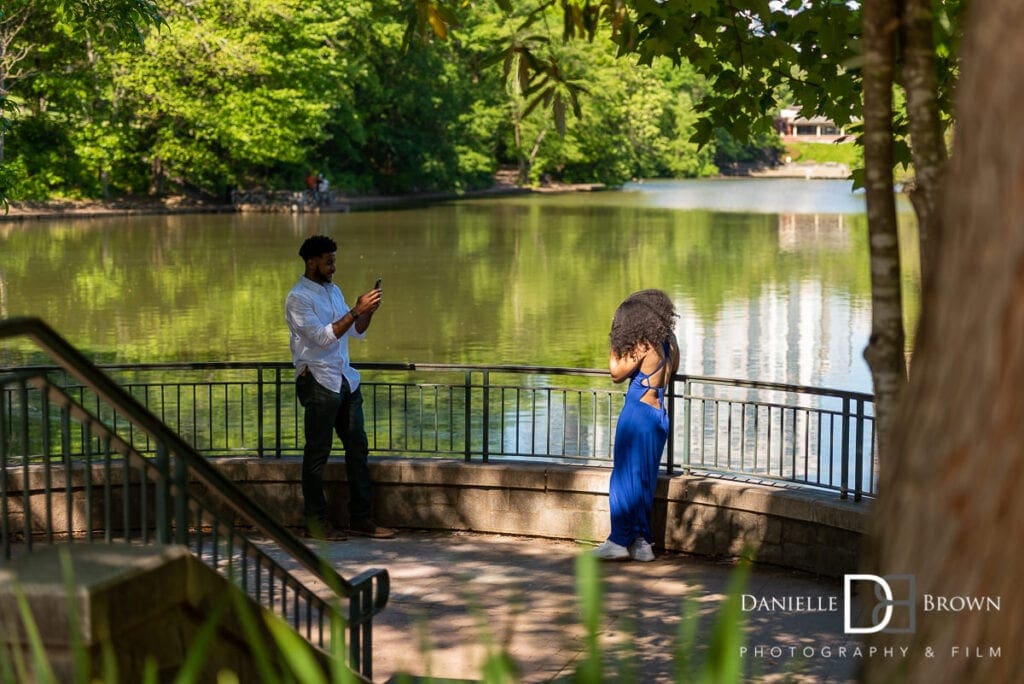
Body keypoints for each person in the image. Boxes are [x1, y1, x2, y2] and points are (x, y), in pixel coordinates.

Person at [285, 235, 394, 540]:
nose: (333, 266)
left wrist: (368, 311)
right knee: (317, 453)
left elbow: (355, 332)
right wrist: (356, 311)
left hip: (345, 378)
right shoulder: (297, 298)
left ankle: (360, 518)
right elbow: (322, 337)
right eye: (328, 260)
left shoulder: (334, 291)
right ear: (311, 262)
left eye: (334, 260)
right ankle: (316, 523)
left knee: (357, 448)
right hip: (318, 380)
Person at [594, 289, 680, 561]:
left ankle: (618, 541)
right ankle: (642, 544)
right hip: (658, 416)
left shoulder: (642, 345)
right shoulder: (668, 342)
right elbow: (674, 368)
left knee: (623, 477)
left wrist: (614, 342)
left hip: (638, 413)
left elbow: (616, 373)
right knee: (644, 479)